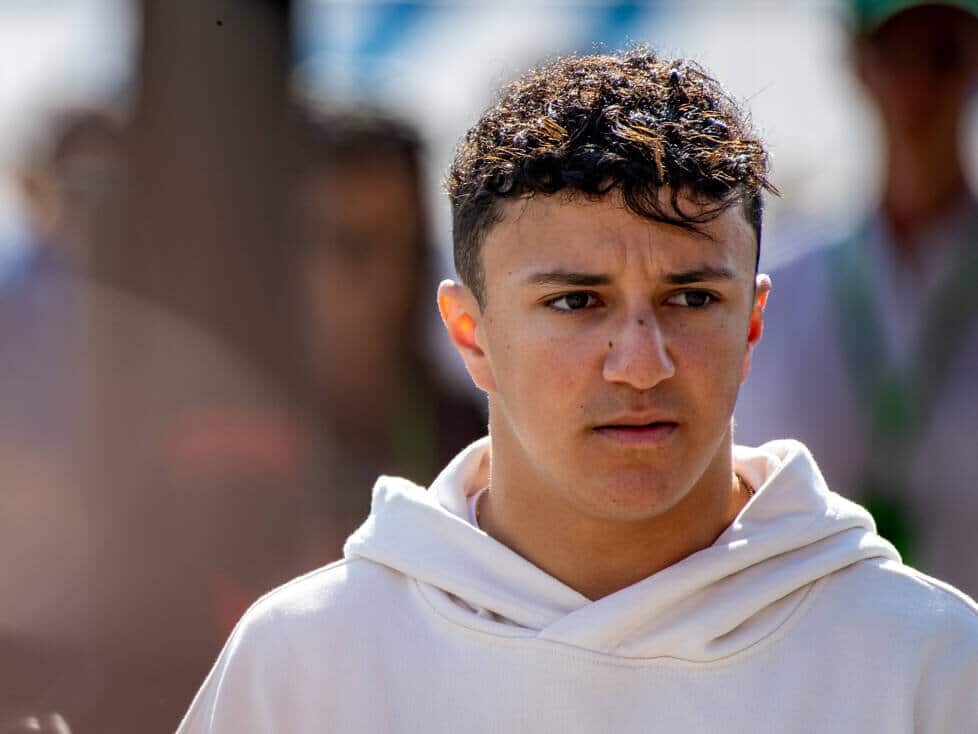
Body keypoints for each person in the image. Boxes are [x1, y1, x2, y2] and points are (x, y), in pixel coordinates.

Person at [177, 49, 978, 733]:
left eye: (691, 297)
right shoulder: (306, 663)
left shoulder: (926, 663)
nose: (641, 363)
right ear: (470, 333)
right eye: (576, 302)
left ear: (753, 323)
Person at [734, 0, 978, 596]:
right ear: (860, 63)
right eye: (896, 55)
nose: (918, 84)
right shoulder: (781, 284)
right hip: (818, 645)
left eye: (943, 55)